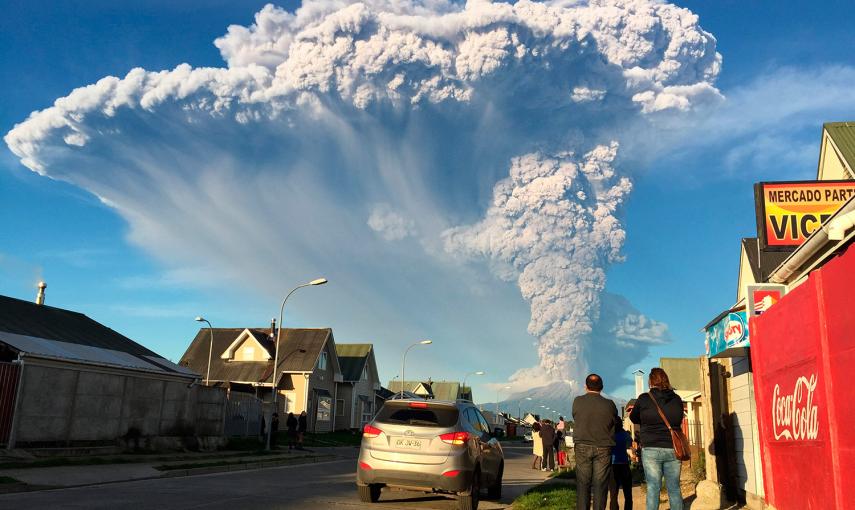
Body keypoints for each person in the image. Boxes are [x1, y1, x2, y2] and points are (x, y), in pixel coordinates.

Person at [629, 368, 684, 510]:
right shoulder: (676, 399)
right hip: (673, 448)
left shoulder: (644, 399)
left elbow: (633, 417)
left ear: (650, 381)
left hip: (651, 448)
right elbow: (679, 419)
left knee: (653, 488)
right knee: (674, 488)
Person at [573, 373, 620, 510]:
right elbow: (614, 420)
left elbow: (576, 416)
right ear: (602, 387)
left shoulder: (577, 401)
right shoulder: (610, 404)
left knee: (583, 484)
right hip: (604, 447)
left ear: (586, 387)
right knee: (600, 485)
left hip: (582, 445)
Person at [608, 422, 634, 510]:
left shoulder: (610, 436)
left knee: (613, 495)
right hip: (624, 465)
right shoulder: (626, 435)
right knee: (628, 494)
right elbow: (629, 449)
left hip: (613, 466)